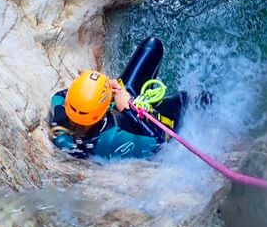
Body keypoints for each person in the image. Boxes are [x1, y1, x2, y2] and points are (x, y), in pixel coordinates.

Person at [49, 37, 187, 160]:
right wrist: (127, 110)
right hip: (140, 120)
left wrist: (104, 88)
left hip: (120, 102)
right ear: (101, 111)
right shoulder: (112, 138)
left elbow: (58, 96)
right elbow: (159, 141)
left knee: (153, 45)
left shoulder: (65, 116)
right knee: (185, 98)